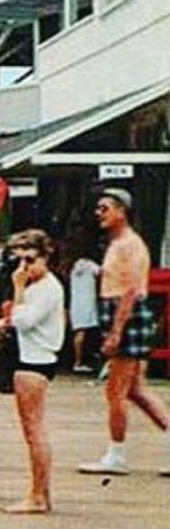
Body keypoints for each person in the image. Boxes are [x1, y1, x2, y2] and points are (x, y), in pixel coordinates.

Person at [78, 189, 170, 475]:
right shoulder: (117, 244)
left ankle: (116, 454)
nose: (99, 214)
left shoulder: (130, 244)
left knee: (115, 390)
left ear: (122, 211)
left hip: (125, 313)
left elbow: (130, 290)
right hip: (121, 312)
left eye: (105, 208)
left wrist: (116, 331)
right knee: (135, 390)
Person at [0, 229, 65, 514]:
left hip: (35, 361)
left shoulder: (47, 287)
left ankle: (38, 495)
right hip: (30, 356)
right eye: (20, 261)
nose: (24, 268)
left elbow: (23, 319)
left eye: (30, 260)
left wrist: (18, 288)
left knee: (34, 430)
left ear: (46, 256)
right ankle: (40, 493)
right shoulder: (39, 287)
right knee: (32, 430)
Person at [65, 226, 102, 374]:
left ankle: (77, 360)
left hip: (76, 301)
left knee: (78, 331)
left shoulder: (74, 267)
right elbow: (103, 273)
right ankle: (79, 361)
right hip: (88, 301)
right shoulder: (91, 265)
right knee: (84, 332)